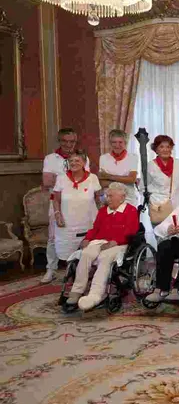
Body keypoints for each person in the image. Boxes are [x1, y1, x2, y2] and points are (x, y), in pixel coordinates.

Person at [67, 183, 139, 311]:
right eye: (107, 195)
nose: (107, 198)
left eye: (111, 196)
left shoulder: (131, 210)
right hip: (99, 242)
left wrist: (115, 241)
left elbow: (131, 231)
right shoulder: (103, 211)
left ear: (122, 198)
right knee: (86, 254)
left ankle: (95, 295)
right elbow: (95, 229)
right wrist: (87, 239)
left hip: (119, 244)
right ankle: (76, 291)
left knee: (105, 258)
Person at [41, 128, 91, 283]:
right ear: (59, 141)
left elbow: (85, 178)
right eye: (65, 141)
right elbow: (47, 182)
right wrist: (70, 177)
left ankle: (76, 268)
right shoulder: (50, 158)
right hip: (56, 202)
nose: (68, 144)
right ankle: (51, 269)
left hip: (78, 204)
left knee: (79, 235)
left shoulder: (83, 158)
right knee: (53, 236)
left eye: (72, 141)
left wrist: (60, 177)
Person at [51, 150, 101, 265]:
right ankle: (72, 275)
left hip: (88, 223)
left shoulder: (93, 178)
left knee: (89, 255)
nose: (73, 163)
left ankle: (87, 276)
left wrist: (102, 218)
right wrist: (57, 214)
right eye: (71, 161)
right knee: (68, 255)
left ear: (84, 163)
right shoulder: (61, 178)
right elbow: (56, 200)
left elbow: (98, 200)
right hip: (67, 224)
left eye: (77, 160)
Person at [98, 129, 139, 206]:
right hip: (109, 200)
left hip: (128, 199)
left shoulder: (133, 157)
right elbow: (102, 183)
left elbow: (131, 179)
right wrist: (124, 179)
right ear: (110, 143)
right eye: (114, 142)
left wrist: (108, 176)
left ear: (125, 143)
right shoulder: (103, 158)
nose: (117, 145)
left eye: (120, 142)